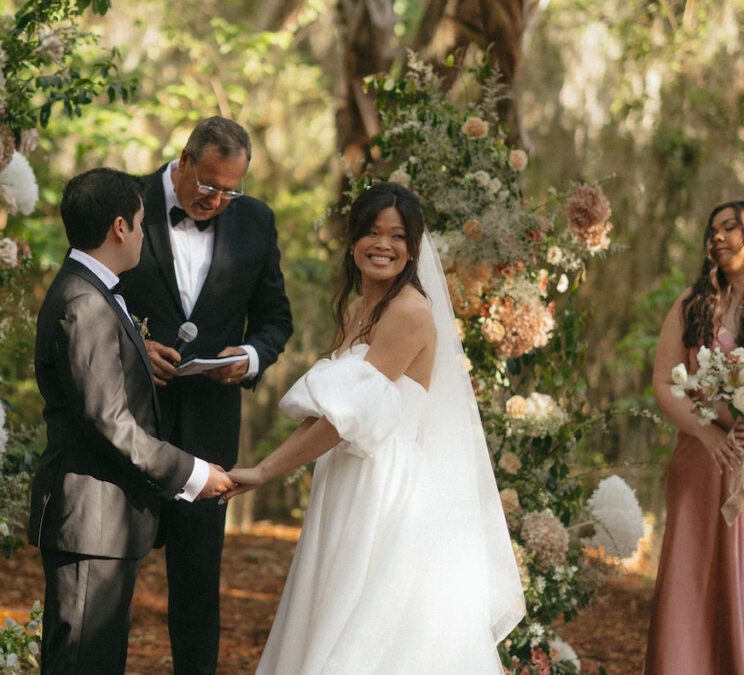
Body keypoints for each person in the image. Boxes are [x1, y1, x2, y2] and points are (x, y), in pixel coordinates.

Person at [221, 183, 525, 673]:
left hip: (385, 488)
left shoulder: (407, 312)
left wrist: (265, 472)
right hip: (347, 478)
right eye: (372, 232)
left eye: (397, 236)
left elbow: (347, 421)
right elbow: (331, 413)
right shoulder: (356, 306)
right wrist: (265, 466)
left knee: (369, 627)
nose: (383, 245)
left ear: (412, 249)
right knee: (330, 610)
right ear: (353, 240)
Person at [27, 168, 233, 675]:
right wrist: (192, 473)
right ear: (120, 227)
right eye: (142, 223)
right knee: (82, 664)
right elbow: (110, 421)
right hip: (90, 518)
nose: (144, 233)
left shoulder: (90, 292)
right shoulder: (85, 303)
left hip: (103, 521)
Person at [120, 117, 293, 673]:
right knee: (109, 578)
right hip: (127, 426)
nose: (217, 199)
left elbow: (274, 321)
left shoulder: (257, 221)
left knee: (197, 587)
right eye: (208, 184)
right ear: (185, 159)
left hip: (208, 435)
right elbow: (88, 292)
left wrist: (249, 359)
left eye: (230, 189)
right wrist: (134, 343)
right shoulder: (126, 199)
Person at [644, 201, 744, 673]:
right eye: (713, 230)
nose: (719, 237)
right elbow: (663, 381)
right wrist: (707, 435)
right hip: (702, 462)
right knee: (693, 577)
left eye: (731, 227)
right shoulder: (694, 304)